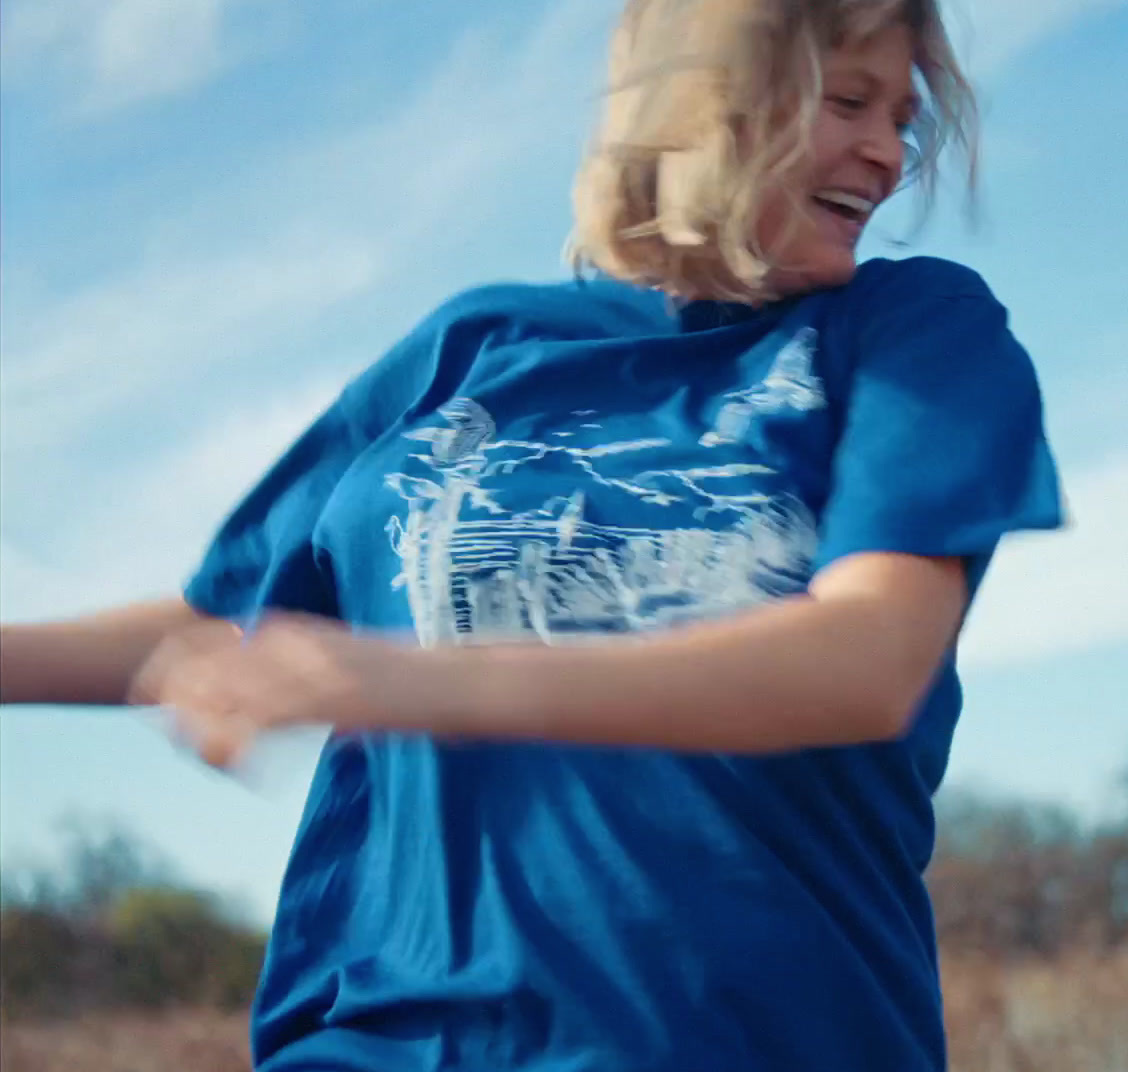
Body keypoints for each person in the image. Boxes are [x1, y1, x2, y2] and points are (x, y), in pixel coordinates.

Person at [0, 0, 1063, 1068]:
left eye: (903, 118)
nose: (887, 152)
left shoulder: (911, 329)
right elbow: (225, 631)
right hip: (387, 1036)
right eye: (848, 101)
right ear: (705, 103)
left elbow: (867, 659)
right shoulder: (474, 343)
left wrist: (406, 680)